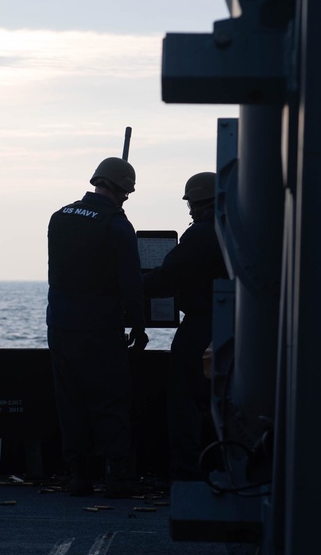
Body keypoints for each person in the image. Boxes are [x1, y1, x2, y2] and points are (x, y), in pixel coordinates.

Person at [46, 157, 148, 498]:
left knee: (69, 401)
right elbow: (130, 283)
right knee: (110, 399)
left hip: (60, 325)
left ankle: (77, 475)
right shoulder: (117, 225)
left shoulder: (59, 216)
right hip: (101, 326)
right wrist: (138, 324)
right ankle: (116, 476)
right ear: (122, 190)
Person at [142, 172, 227, 481]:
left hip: (201, 327)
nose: (189, 210)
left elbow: (168, 276)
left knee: (184, 400)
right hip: (232, 327)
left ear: (199, 203)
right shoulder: (235, 230)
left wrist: (130, 286)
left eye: (191, 204)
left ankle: (186, 470)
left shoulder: (202, 234)